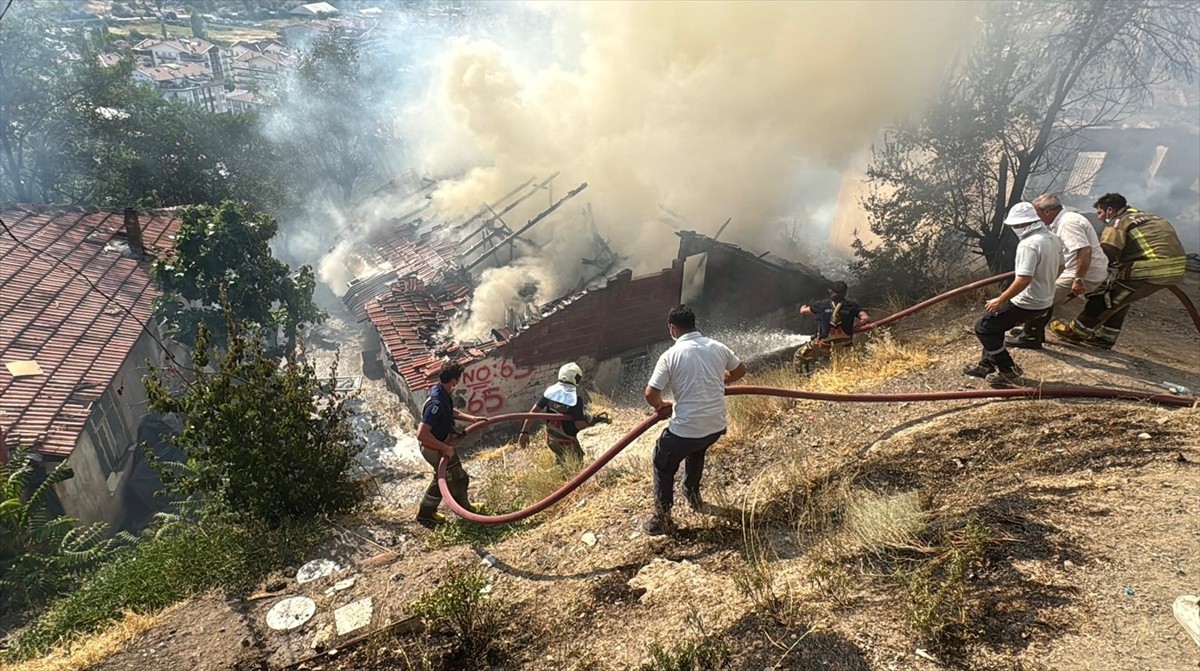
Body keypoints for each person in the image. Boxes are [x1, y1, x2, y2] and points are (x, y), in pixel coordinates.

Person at [643, 305, 747, 535]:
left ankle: (662, 518)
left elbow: (651, 393)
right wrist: (721, 380)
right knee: (696, 449)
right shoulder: (717, 346)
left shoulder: (670, 355)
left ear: (672, 328)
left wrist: (661, 406)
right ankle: (692, 493)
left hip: (687, 429)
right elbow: (740, 370)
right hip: (715, 427)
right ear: (693, 324)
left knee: (663, 460)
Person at [1050, 193, 1187, 350]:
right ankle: (1104, 337)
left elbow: (1108, 252)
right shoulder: (1150, 217)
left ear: (1110, 210)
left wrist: (1085, 270)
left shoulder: (1118, 223)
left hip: (1149, 269)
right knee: (1121, 299)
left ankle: (1076, 332)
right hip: (1175, 267)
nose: (1099, 218)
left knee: (1106, 296)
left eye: (1100, 213)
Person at [963, 201, 1063, 385]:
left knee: (983, 328)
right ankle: (986, 365)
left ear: (1022, 224)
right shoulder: (1052, 238)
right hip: (1045, 299)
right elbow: (1061, 266)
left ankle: (1008, 369)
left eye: (1015, 225)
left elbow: (1024, 279)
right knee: (995, 324)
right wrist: (1045, 281)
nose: (1015, 229)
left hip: (1027, 302)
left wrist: (1000, 299)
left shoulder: (1029, 244)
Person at [1007, 194, 1108, 349]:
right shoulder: (1062, 221)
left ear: (1047, 212)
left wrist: (1079, 278)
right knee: (1046, 293)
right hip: (1074, 270)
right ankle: (1033, 331)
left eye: (1036, 213)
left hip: (1083, 272)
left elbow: (1084, 250)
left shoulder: (1068, 223)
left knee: (1041, 296)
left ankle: (1030, 337)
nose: (1035, 218)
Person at [415, 362, 485, 529]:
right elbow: (422, 434)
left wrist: (471, 419)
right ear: (454, 380)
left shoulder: (440, 391)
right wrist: (445, 448)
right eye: (458, 380)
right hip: (435, 449)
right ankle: (465, 511)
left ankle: (426, 514)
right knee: (459, 479)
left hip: (441, 445)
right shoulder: (436, 403)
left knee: (444, 479)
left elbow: (449, 411)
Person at [517, 362, 610, 467]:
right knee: (578, 466)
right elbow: (580, 425)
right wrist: (591, 421)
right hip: (568, 444)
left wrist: (524, 432)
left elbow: (532, 414)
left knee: (561, 460)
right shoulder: (576, 400)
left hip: (551, 440)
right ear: (577, 379)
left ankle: (560, 468)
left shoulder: (549, 393)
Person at [793, 280, 870, 373]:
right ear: (845, 292)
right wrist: (853, 329)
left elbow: (803, 311)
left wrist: (802, 306)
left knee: (799, 355)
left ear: (830, 291)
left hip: (824, 346)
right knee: (835, 363)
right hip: (845, 345)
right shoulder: (852, 306)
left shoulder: (821, 304)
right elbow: (865, 318)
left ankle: (802, 378)